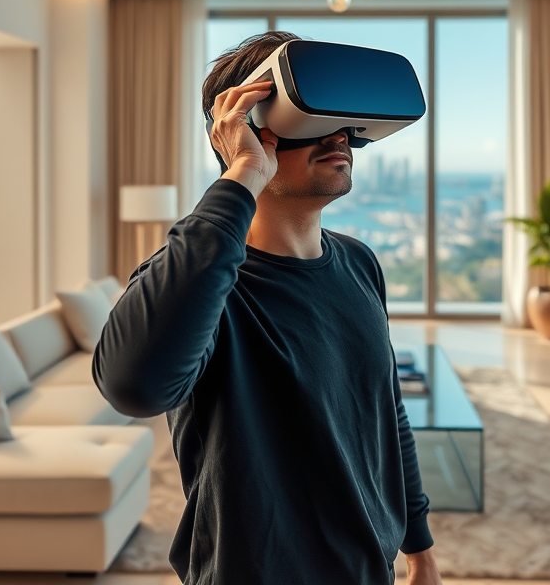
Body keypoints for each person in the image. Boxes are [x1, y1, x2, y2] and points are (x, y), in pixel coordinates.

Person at [93, 30, 442, 585]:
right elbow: (134, 387)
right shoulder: (200, 282)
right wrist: (241, 179)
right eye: (310, 119)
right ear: (246, 130)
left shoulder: (359, 264)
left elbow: (385, 410)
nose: (339, 137)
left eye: (343, 123)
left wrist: (418, 546)